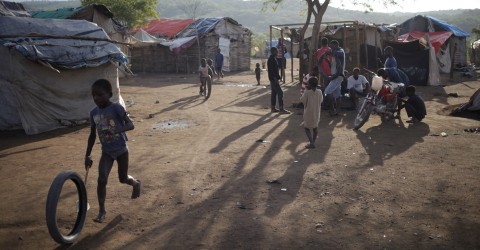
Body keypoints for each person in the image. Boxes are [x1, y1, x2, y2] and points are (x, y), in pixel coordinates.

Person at [84, 79, 141, 223]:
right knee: (101, 179)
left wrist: (117, 129)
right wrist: (87, 154)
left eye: (100, 95)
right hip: (106, 152)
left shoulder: (116, 108)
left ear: (109, 94)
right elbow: (92, 135)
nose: (96, 98)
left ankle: (135, 183)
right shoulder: (93, 113)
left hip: (121, 149)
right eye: (94, 96)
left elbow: (131, 125)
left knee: (123, 179)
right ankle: (102, 210)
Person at [300, 77, 323, 149]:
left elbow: (303, 100)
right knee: (315, 128)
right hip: (316, 112)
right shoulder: (319, 92)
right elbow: (321, 101)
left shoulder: (307, 92)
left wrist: (306, 90)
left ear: (309, 84)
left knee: (307, 128)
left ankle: (312, 143)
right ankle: (313, 141)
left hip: (308, 113)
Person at [324, 40, 345, 116]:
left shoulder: (340, 51)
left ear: (336, 45)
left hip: (338, 76)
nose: (330, 48)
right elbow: (333, 66)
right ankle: (337, 110)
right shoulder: (334, 54)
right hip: (334, 76)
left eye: (332, 46)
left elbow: (339, 54)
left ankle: (332, 108)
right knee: (337, 94)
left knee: (327, 92)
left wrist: (330, 52)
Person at [267, 47, 290, 114]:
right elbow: (271, 71)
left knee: (274, 93)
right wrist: (275, 79)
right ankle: (281, 108)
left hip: (273, 78)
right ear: (273, 51)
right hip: (273, 79)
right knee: (280, 92)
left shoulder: (273, 59)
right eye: (276, 51)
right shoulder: (271, 59)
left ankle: (273, 108)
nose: (277, 52)